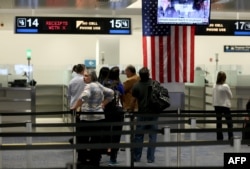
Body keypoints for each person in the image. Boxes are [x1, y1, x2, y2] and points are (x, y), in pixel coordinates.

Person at [71, 69, 114, 167]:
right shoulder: (98, 84)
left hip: (87, 119)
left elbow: (83, 97)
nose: (84, 77)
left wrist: (74, 107)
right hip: (99, 118)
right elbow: (111, 92)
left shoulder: (89, 86)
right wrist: (103, 104)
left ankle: (82, 161)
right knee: (96, 142)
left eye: (86, 76)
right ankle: (95, 162)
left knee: (82, 142)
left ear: (91, 77)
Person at [131, 67, 158, 163]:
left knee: (138, 136)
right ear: (149, 74)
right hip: (153, 114)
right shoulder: (155, 84)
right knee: (152, 137)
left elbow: (133, 100)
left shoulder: (136, 85)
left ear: (140, 75)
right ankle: (150, 158)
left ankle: (136, 157)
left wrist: (131, 110)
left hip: (142, 114)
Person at [103, 66, 125, 165]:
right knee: (116, 134)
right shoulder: (119, 84)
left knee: (107, 131)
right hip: (117, 110)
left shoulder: (105, 83)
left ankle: (107, 149)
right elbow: (123, 93)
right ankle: (113, 157)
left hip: (107, 110)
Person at [67, 64, 86, 144]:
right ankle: (80, 141)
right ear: (82, 70)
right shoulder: (85, 80)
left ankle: (76, 139)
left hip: (73, 105)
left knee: (76, 124)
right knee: (83, 125)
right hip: (83, 105)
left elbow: (69, 95)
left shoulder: (71, 81)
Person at [212, 71, 233, 141]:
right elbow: (231, 96)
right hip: (225, 106)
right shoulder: (225, 86)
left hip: (217, 105)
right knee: (229, 122)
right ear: (224, 78)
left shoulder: (214, 85)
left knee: (219, 122)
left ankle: (219, 137)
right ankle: (230, 137)